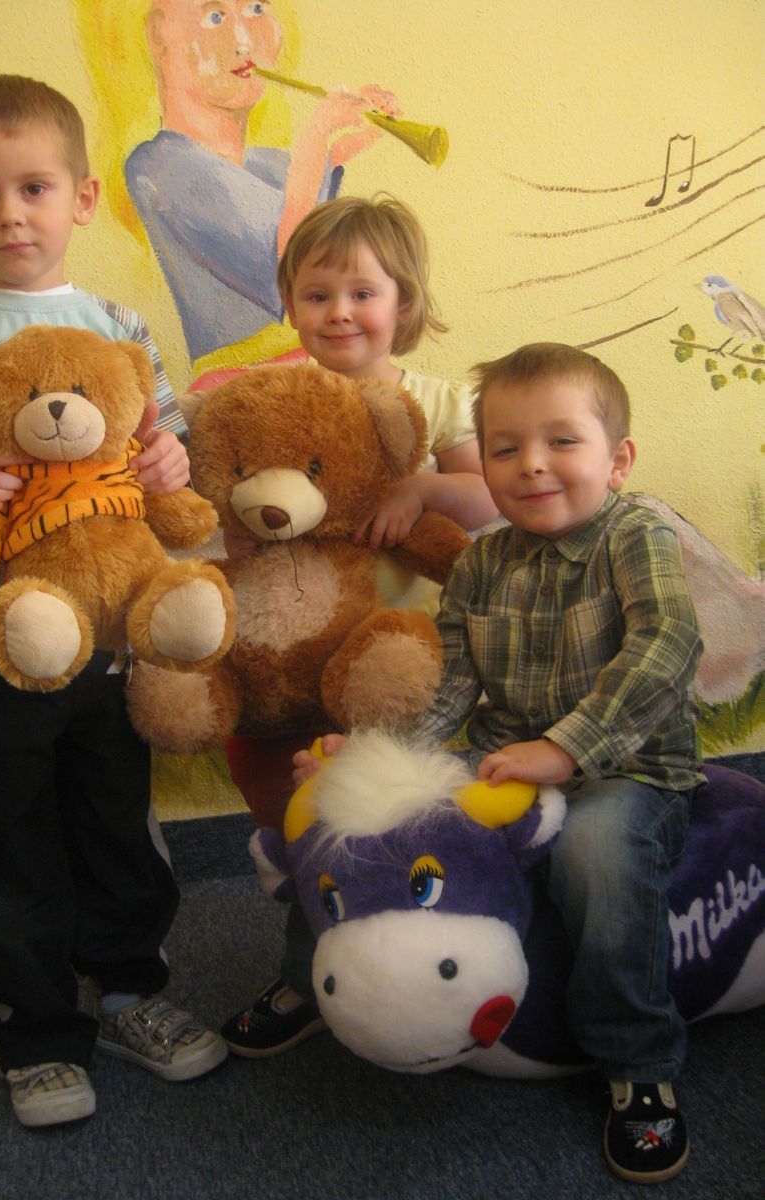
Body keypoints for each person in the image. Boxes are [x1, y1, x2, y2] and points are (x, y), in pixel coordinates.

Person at [0, 74, 227, 1129]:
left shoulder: (118, 323)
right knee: (7, 831)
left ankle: (128, 991)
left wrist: (170, 462)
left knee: (115, 817)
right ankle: (32, 1028)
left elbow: (166, 442)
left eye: (33, 188)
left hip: (111, 640)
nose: (11, 214)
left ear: (82, 198)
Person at [292, 343, 704, 1185]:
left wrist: (567, 748)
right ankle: (308, 980)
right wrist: (381, 759)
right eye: (506, 448)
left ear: (618, 459)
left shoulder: (637, 533)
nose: (532, 465)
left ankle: (637, 1060)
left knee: (596, 852)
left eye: (562, 441)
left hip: (625, 768)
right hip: (505, 756)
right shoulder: (481, 562)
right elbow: (451, 685)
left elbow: (668, 644)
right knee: (369, 817)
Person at [220, 194, 497, 1056]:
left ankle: (410, 979)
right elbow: (226, 486)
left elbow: (490, 500)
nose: (339, 312)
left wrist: (422, 488)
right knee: (305, 827)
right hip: (290, 657)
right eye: (317, 294)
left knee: (380, 825)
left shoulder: (437, 402)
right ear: (290, 304)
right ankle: (309, 971)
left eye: (363, 293)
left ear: (403, 302)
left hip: (395, 667)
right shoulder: (272, 398)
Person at [79, 0, 400, 387]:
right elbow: (291, 271)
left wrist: (357, 137)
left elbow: (314, 220)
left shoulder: (271, 165)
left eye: (255, 9)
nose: (243, 41)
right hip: (240, 392)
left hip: (311, 383)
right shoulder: (160, 165)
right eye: (214, 17)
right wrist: (318, 134)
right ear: (160, 37)